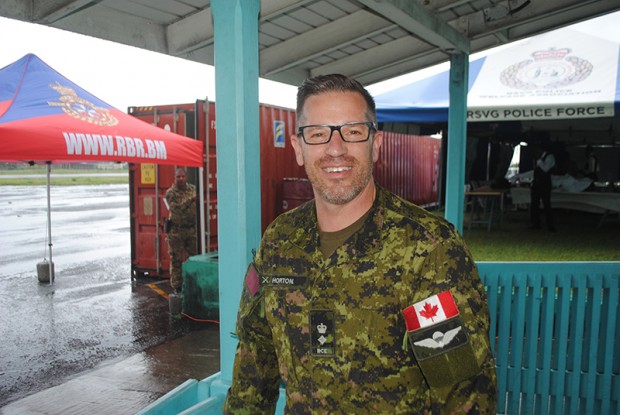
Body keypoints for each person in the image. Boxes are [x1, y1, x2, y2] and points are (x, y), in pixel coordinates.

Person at [223, 74, 497, 414]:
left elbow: (462, 395)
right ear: (298, 148)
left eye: (353, 132)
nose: (335, 148)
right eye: (318, 134)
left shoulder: (428, 249)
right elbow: (254, 361)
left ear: (376, 144)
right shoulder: (279, 241)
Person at [165, 167, 197, 293]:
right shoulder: (170, 193)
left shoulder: (192, 189)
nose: (181, 179)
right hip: (176, 231)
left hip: (191, 230)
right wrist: (191, 200)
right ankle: (177, 286)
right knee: (176, 260)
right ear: (175, 178)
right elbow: (176, 209)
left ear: (186, 177)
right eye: (178, 177)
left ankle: (192, 283)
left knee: (193, 258)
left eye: (183, 176)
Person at [529, 143, 556, 232]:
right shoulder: (537, 159)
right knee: (534, 203)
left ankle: (550, 225)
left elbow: (545, 169)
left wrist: (539, 161)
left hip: (545, 184)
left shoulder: (550, 157)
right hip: (536, 183)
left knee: (546, 204)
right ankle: (535, 223)